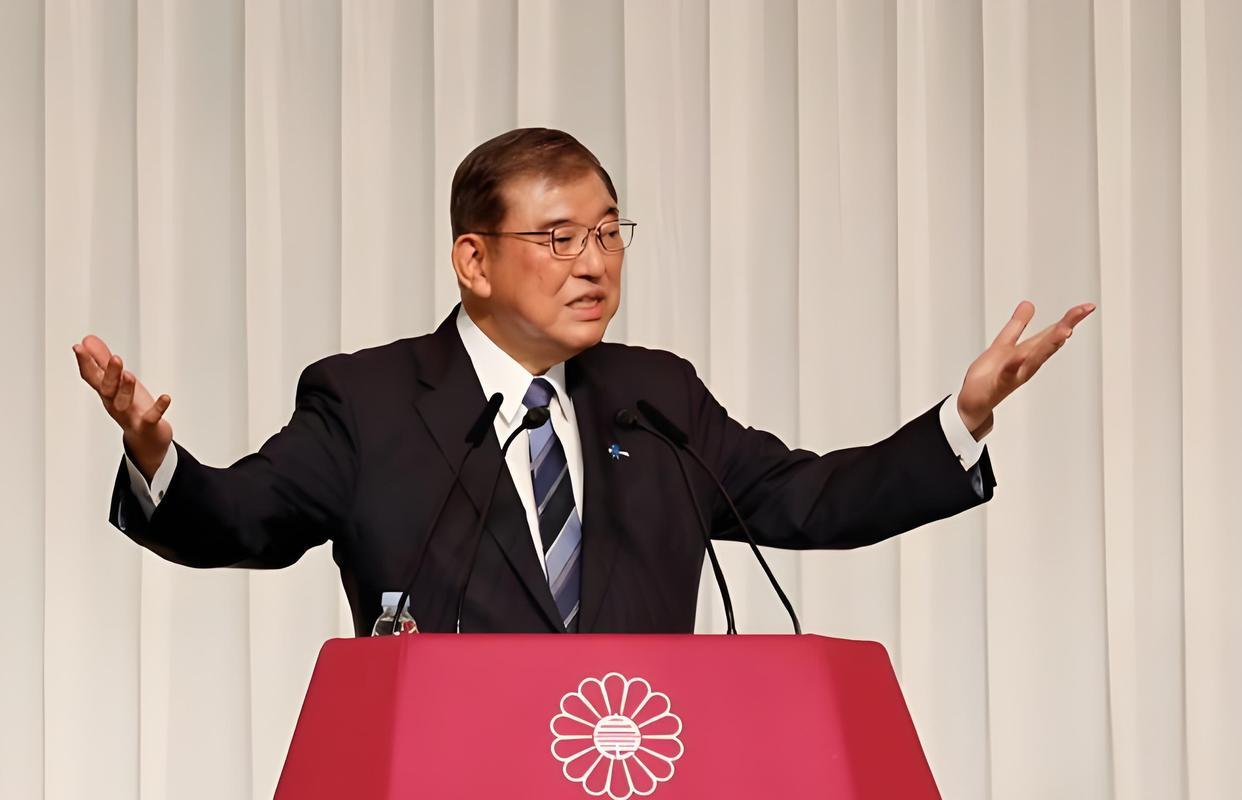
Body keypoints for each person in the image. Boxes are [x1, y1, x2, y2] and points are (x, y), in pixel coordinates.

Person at [72, 127, 1095, 636]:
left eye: (609, 233)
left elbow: (810, 500)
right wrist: (158, 455)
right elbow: (242, 520)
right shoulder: (369, 403)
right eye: (559, 238)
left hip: (638, 771)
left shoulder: (656, 398)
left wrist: (963, 417)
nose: (596, 263)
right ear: (474, 260)